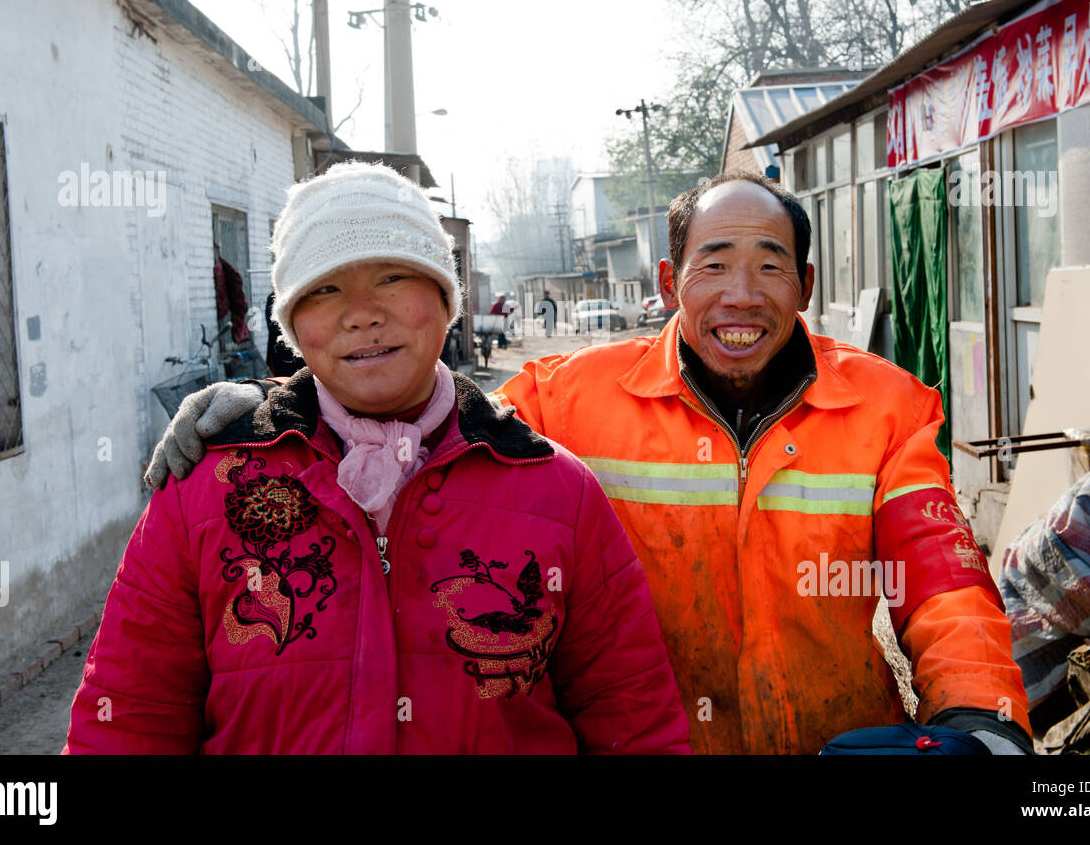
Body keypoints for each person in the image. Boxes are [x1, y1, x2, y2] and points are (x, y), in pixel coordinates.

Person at [147, 170, 1031, 755]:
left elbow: (945, 583)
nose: (741, 294)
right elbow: (413, 416)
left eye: (771, 267)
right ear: (665, 282)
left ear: (805, 283)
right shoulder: (572, 399)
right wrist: (279, 407)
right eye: (712, 264)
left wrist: (976, 718)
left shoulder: (885, 405)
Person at [66, 161, 688, 755]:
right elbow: (127, 718)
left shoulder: (557, 491)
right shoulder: (206, 490)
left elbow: (633, 719)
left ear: (448, 301)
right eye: (325, 288)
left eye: (392, 277)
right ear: (292, 326)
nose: (362, 313)